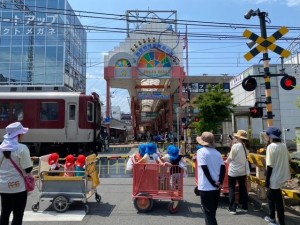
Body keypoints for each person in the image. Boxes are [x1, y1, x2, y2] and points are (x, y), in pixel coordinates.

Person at [0, 122, 33, 225]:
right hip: (19, 187)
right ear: (18, 135)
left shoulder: (0, 148)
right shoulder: (22, 148)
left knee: (5, 212)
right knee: (18, 215)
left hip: (3, 186)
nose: (23, 135)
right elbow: (28, 169)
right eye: (22, 133)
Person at [196, 132, 225, 225]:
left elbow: (204, 168)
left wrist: (212, 182)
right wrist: (219, 182)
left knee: (208, 213)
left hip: (206, 186)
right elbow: (223, 168)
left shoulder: (201, 152)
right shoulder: (217, 153)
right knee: (212, 212)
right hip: (217, 187)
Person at [264, 127, 291, 225]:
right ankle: (272, 217)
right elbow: (289, 158)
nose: (266, 137)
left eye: (267, 135)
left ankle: (281, 222)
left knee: (278, 200)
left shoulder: (271, 147)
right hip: (283, 176)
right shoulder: (283, 146)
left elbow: (269, 166)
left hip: (274, 178)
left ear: (270, 136)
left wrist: (267, 181)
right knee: (270, 196)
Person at [226, 129, 250, 214]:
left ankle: (232, 208)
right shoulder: (246, 147)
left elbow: (230, 159)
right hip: (242, 171)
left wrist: (226, 161)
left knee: (232, 188)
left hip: (233, 171)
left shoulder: (235, 146)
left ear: (239, 137)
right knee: (242, 188)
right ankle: (244, 207)